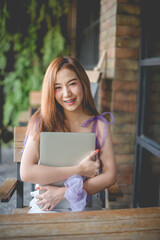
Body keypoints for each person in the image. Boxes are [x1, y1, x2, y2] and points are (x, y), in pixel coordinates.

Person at [20, 56, 117, 213]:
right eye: (57, 87)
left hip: (84, 206)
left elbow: (110, 175)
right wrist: (79, 170)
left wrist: (63, 193)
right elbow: (26, 172)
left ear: (83, 83)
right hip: (45, 205)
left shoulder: (99, 125)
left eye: (72, 84)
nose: (67, 93)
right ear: (50, 91)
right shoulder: (42, 122)